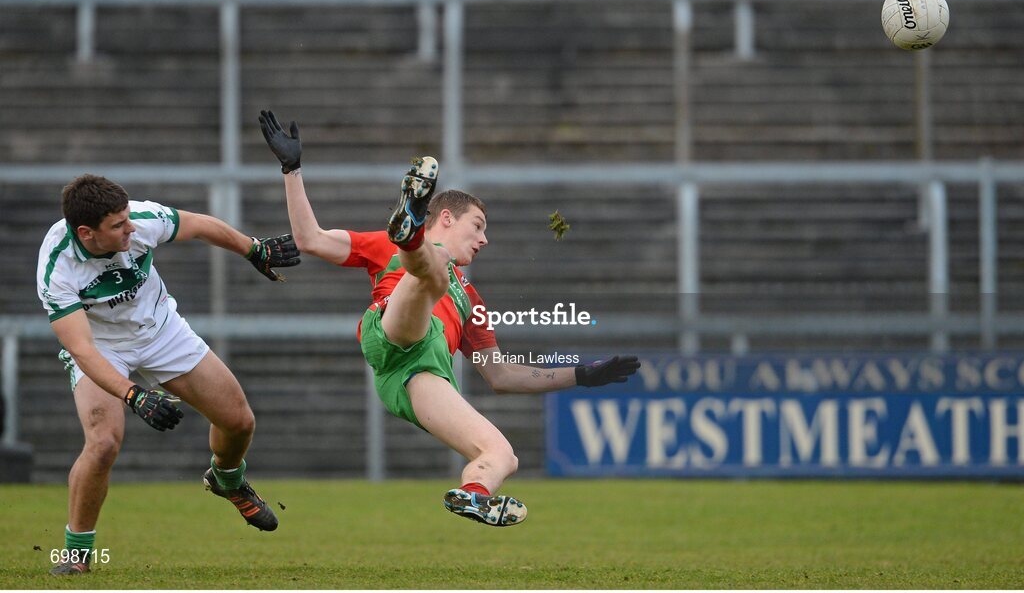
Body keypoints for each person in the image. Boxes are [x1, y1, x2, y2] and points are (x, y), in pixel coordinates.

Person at [259, 110, 639, 527]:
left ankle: (472, 495)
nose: (484, 239)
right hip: (393, 331)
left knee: (502, 454)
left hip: (420, 378)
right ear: (445, 217)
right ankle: (413, 237)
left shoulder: (471, 299)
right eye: (477, 226)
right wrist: (291, 169)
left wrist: (582, 375)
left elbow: (501, 376)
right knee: (434, 271)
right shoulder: (392, 249)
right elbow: (309, 239)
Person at [37, 174, 299, 575]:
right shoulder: (58, 267)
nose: (131, 228)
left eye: (128, 219)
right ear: (87, 233)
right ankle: (76, 556)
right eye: (118, 226)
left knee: (238, 421)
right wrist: (133, 395)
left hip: (160, 331)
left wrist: (254, 249)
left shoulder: (140, 218)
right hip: (102, 347)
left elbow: (199, 225)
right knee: (104, 442)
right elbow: (82, 349)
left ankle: (227, 480)